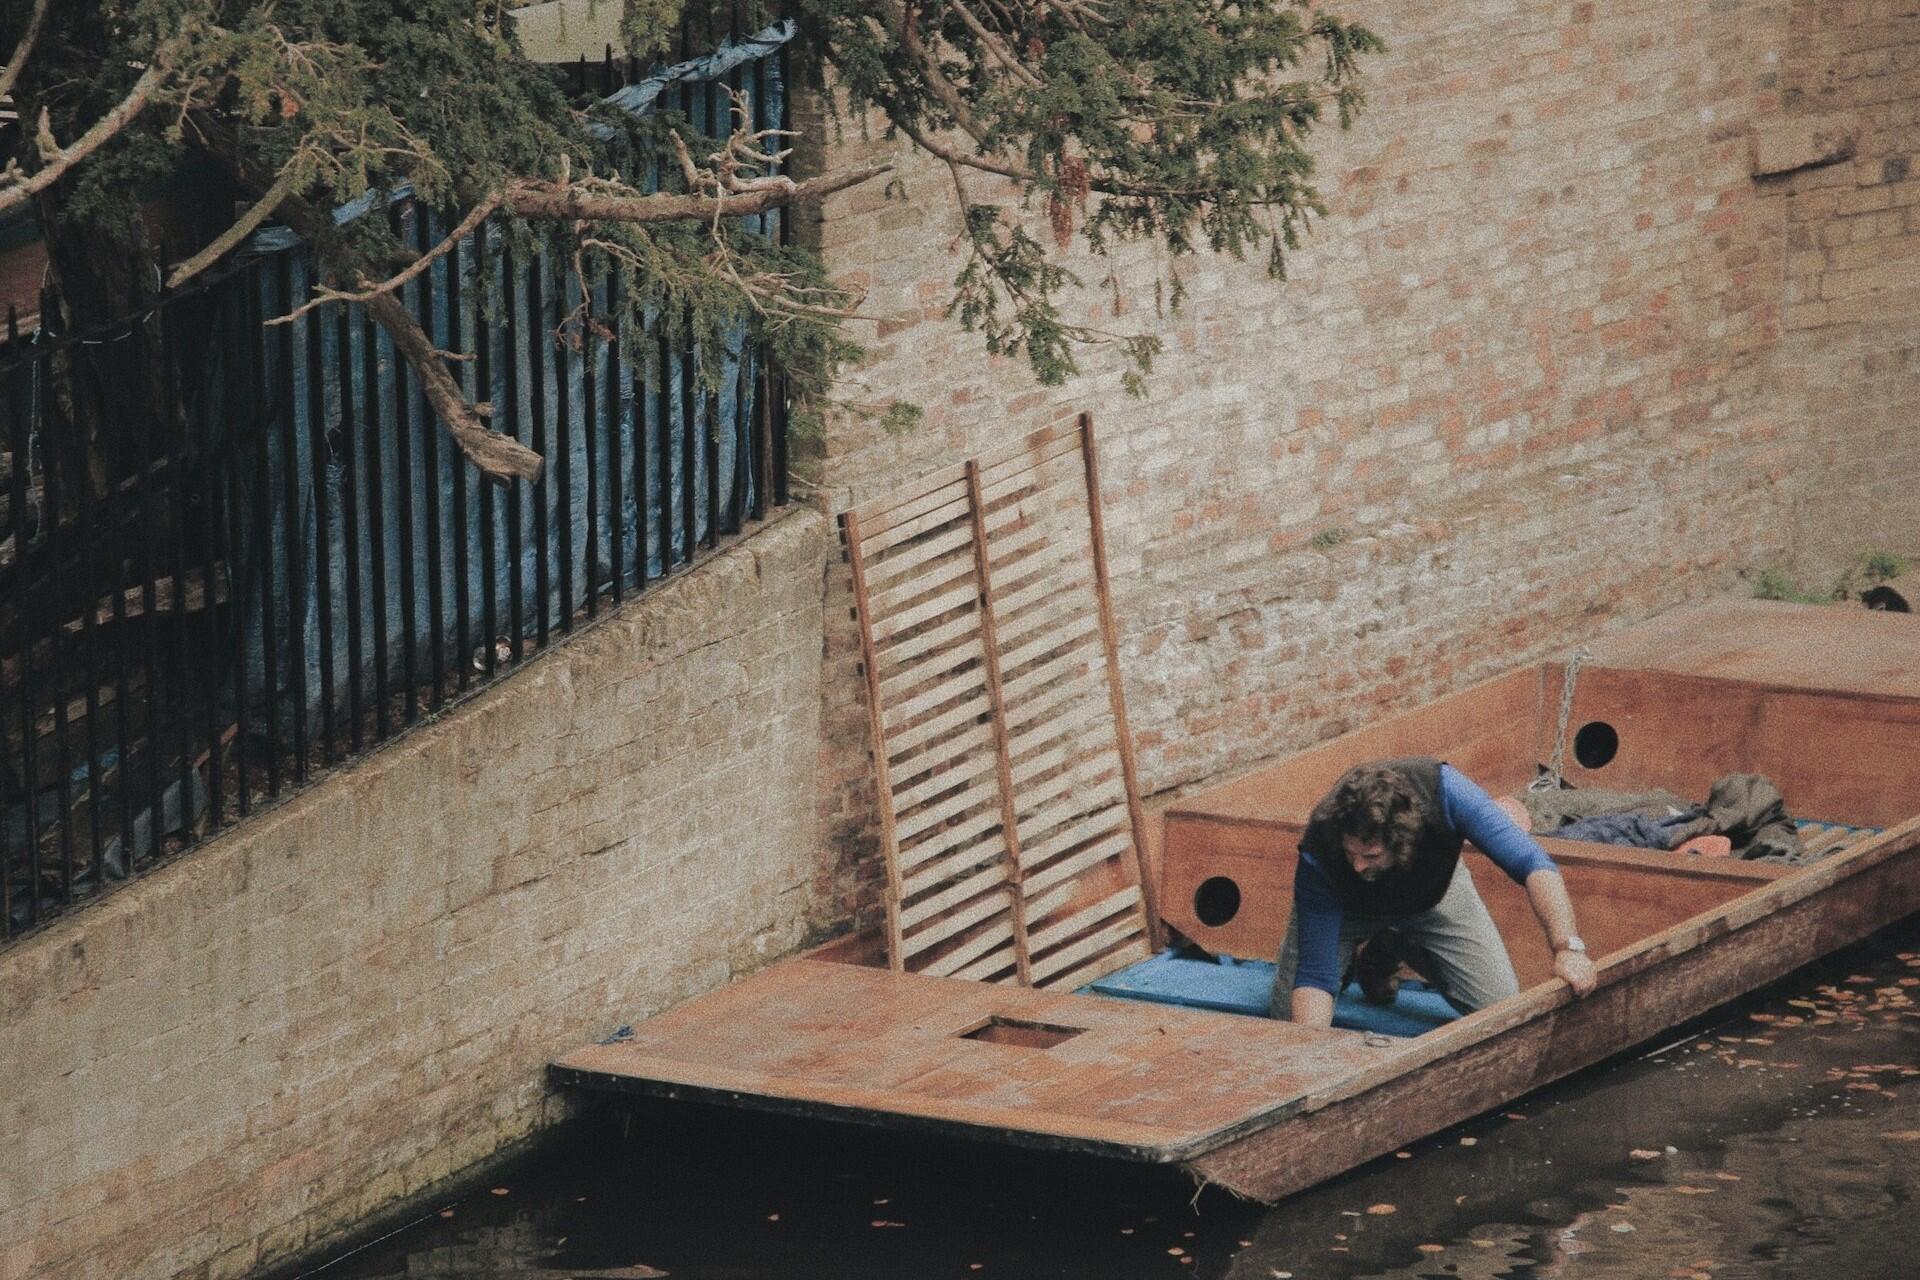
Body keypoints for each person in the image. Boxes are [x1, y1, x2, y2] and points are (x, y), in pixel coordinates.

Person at [1269, 756, 1599, 1026]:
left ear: (1400, 841)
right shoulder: (1321, 845)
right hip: (1347, 909)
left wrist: (1567, 947)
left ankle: (1391, 943)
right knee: (1289, 1024)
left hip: (1431, 893)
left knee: (1501, 1010)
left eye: (1370, 855)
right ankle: (1381, 935)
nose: (1357, 865)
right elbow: (1315, 974)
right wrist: (1310, 1054)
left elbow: (1533, 863)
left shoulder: (1447, 791)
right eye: (1350, 853)